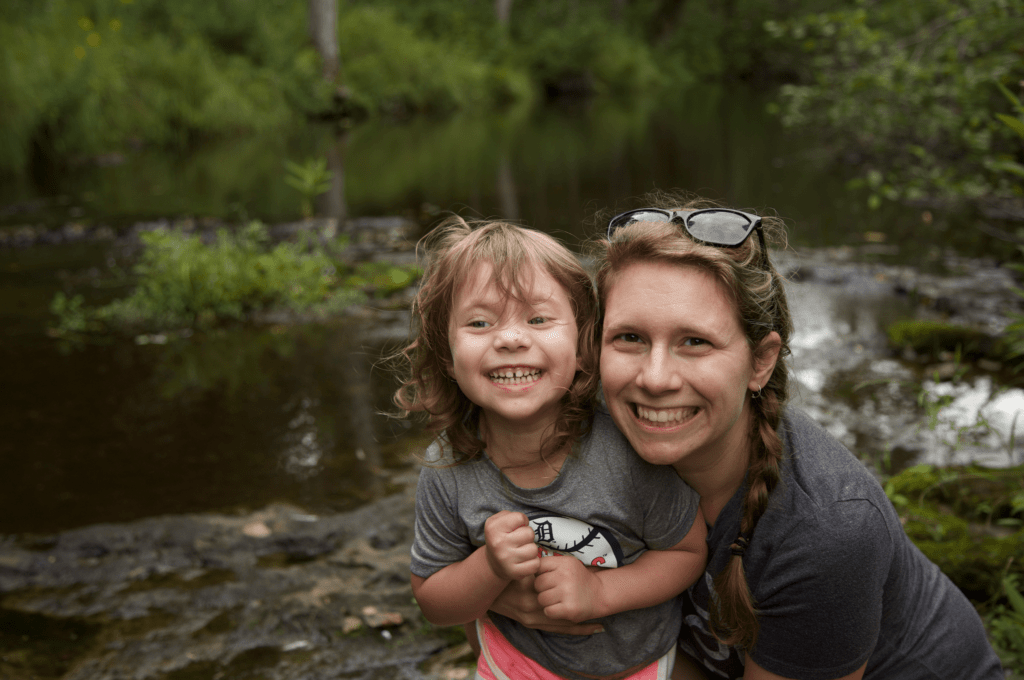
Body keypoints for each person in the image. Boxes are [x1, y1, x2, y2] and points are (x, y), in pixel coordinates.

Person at [488, 194, 1004, 680]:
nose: (655, 378)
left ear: (761, 361)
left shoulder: (823, 532)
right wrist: (503, 597)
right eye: (630, 338)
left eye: (695, 341)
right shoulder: (580, 442)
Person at [396, 217, 708, 680]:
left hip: (639, 664)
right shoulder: (449, 470)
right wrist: (488, 567)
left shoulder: (626, 449)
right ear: (448, 353)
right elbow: (434, 602)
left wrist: (601, 593)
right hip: (517, 665)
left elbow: (685, 553)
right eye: (479, 322)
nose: (510, 338)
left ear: (584, 343)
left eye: (538, 319)